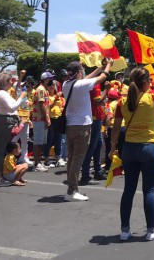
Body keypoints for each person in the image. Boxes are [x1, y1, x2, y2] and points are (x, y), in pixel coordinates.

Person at [110, 65, 154, 242]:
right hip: (149, 147)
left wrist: (112, 147)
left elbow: (116, 128)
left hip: (129, 148)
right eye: (149, 80)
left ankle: (125, 230)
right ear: (145, 83)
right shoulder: (152, 98)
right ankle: (151, 230)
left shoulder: (122, 102)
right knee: (149, 190)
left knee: (128, 190)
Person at [62, 60, 113, 202]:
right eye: (82, 70)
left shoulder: (67, 84)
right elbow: (102, 78)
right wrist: (108, 65)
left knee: (72, 159)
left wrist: (100, 67)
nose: (83, 72)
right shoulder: (80, 85)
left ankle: (72, 189)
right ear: (78, 72)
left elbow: (87, 78)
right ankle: (71, 191)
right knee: (78, 159)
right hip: (82, 126)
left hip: (70, 126)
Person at [0, 73, 27, 188]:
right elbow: (12, 107)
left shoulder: (3, 93)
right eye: (10, 80)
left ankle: (5, 174)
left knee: (4, 149)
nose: (12, 82)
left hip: (5, 122)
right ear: (5, 82)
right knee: (1, 150)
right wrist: (21, 97)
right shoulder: (2, 93)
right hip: (5, 123)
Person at [31, 72, 54, 172]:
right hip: (39, 119)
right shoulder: (41, 89)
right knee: (38, 142)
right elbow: (42, 105)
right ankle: (37, 163)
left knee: (41, 142)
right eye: (49, 79)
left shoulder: (44, 89)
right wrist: (47, 118)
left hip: (42, 119)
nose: (50, 81)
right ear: (45, 79)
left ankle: (39, 162)